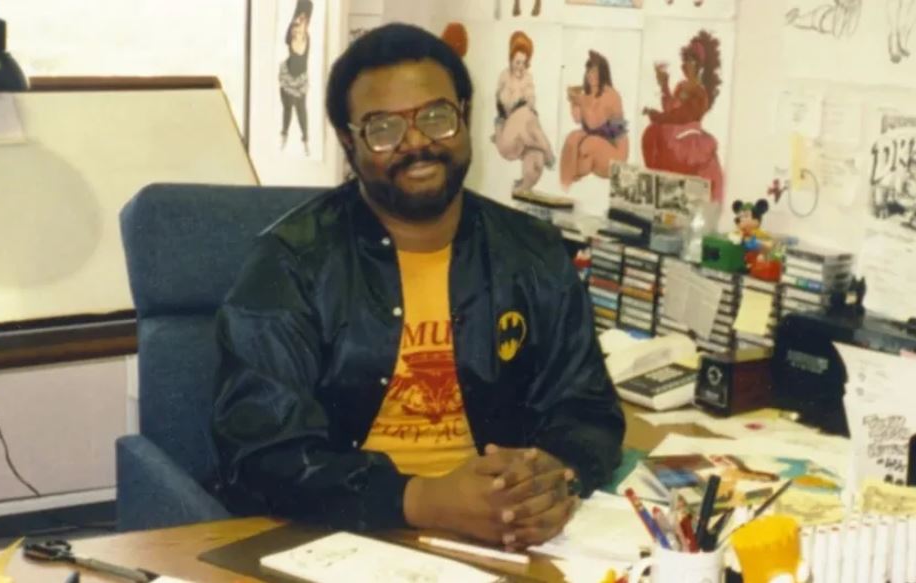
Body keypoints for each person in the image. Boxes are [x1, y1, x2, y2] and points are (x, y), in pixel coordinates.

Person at [213, 23, 625, 549]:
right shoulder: (289, 264)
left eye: (436, 117)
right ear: (348, 141)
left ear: (465, 115)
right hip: (334, 536)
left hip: (504, 532)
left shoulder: (534, 252)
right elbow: (261, 455)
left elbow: (587, 410)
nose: (417, 144)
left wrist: (551, 478)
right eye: (383, 128)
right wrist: (422, 500)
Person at [641, 30, 725, 203]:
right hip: (674, 136)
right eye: (684, 60)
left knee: (655, 132)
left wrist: (656, 116)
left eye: (690, 61)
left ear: (700, 66)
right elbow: (670, 109)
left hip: (688, 142)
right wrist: (664, 85)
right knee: (653, 132)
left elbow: (681, 116)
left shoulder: (700, 92)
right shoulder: (681, 86)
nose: (685, 65)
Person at [493, 31, 556, 196]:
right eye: (517, 62)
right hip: (510, 125)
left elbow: (531, 99)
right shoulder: (505, 76)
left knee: (537, 161)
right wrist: (518, 103)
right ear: (511, 60)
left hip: (526, 122)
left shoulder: (527, 77)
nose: (520, 66)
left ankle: (524, 184)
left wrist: (527, 102)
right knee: (527, 119)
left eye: (524, 62)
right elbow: (503, 103)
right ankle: (547, 149)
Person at [559, 50, 629, 190]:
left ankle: (567, 183)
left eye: (596, 72)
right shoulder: (586, 95)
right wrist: (573, 102)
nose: (592, 75)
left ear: (603, 74)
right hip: (596, 143)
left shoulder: (610, 94)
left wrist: (580, 101)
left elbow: (593, 124)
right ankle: (565, 184)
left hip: (615, 151)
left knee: (587, 145)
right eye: (589, 71)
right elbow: (577, 119)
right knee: (572, 138)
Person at [279, 0, 313, 155]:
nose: (301, 18)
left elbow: (300, 47)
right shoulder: (292, 31)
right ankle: (283, 136)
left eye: (304, 16)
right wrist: (296, 24)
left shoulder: (306, 36)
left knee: (301, 111)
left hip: (299, 79)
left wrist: (300, 28)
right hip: (288, 75)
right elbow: (289, 38)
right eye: (299, 14)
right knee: (287, 109)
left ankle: (305, 141)